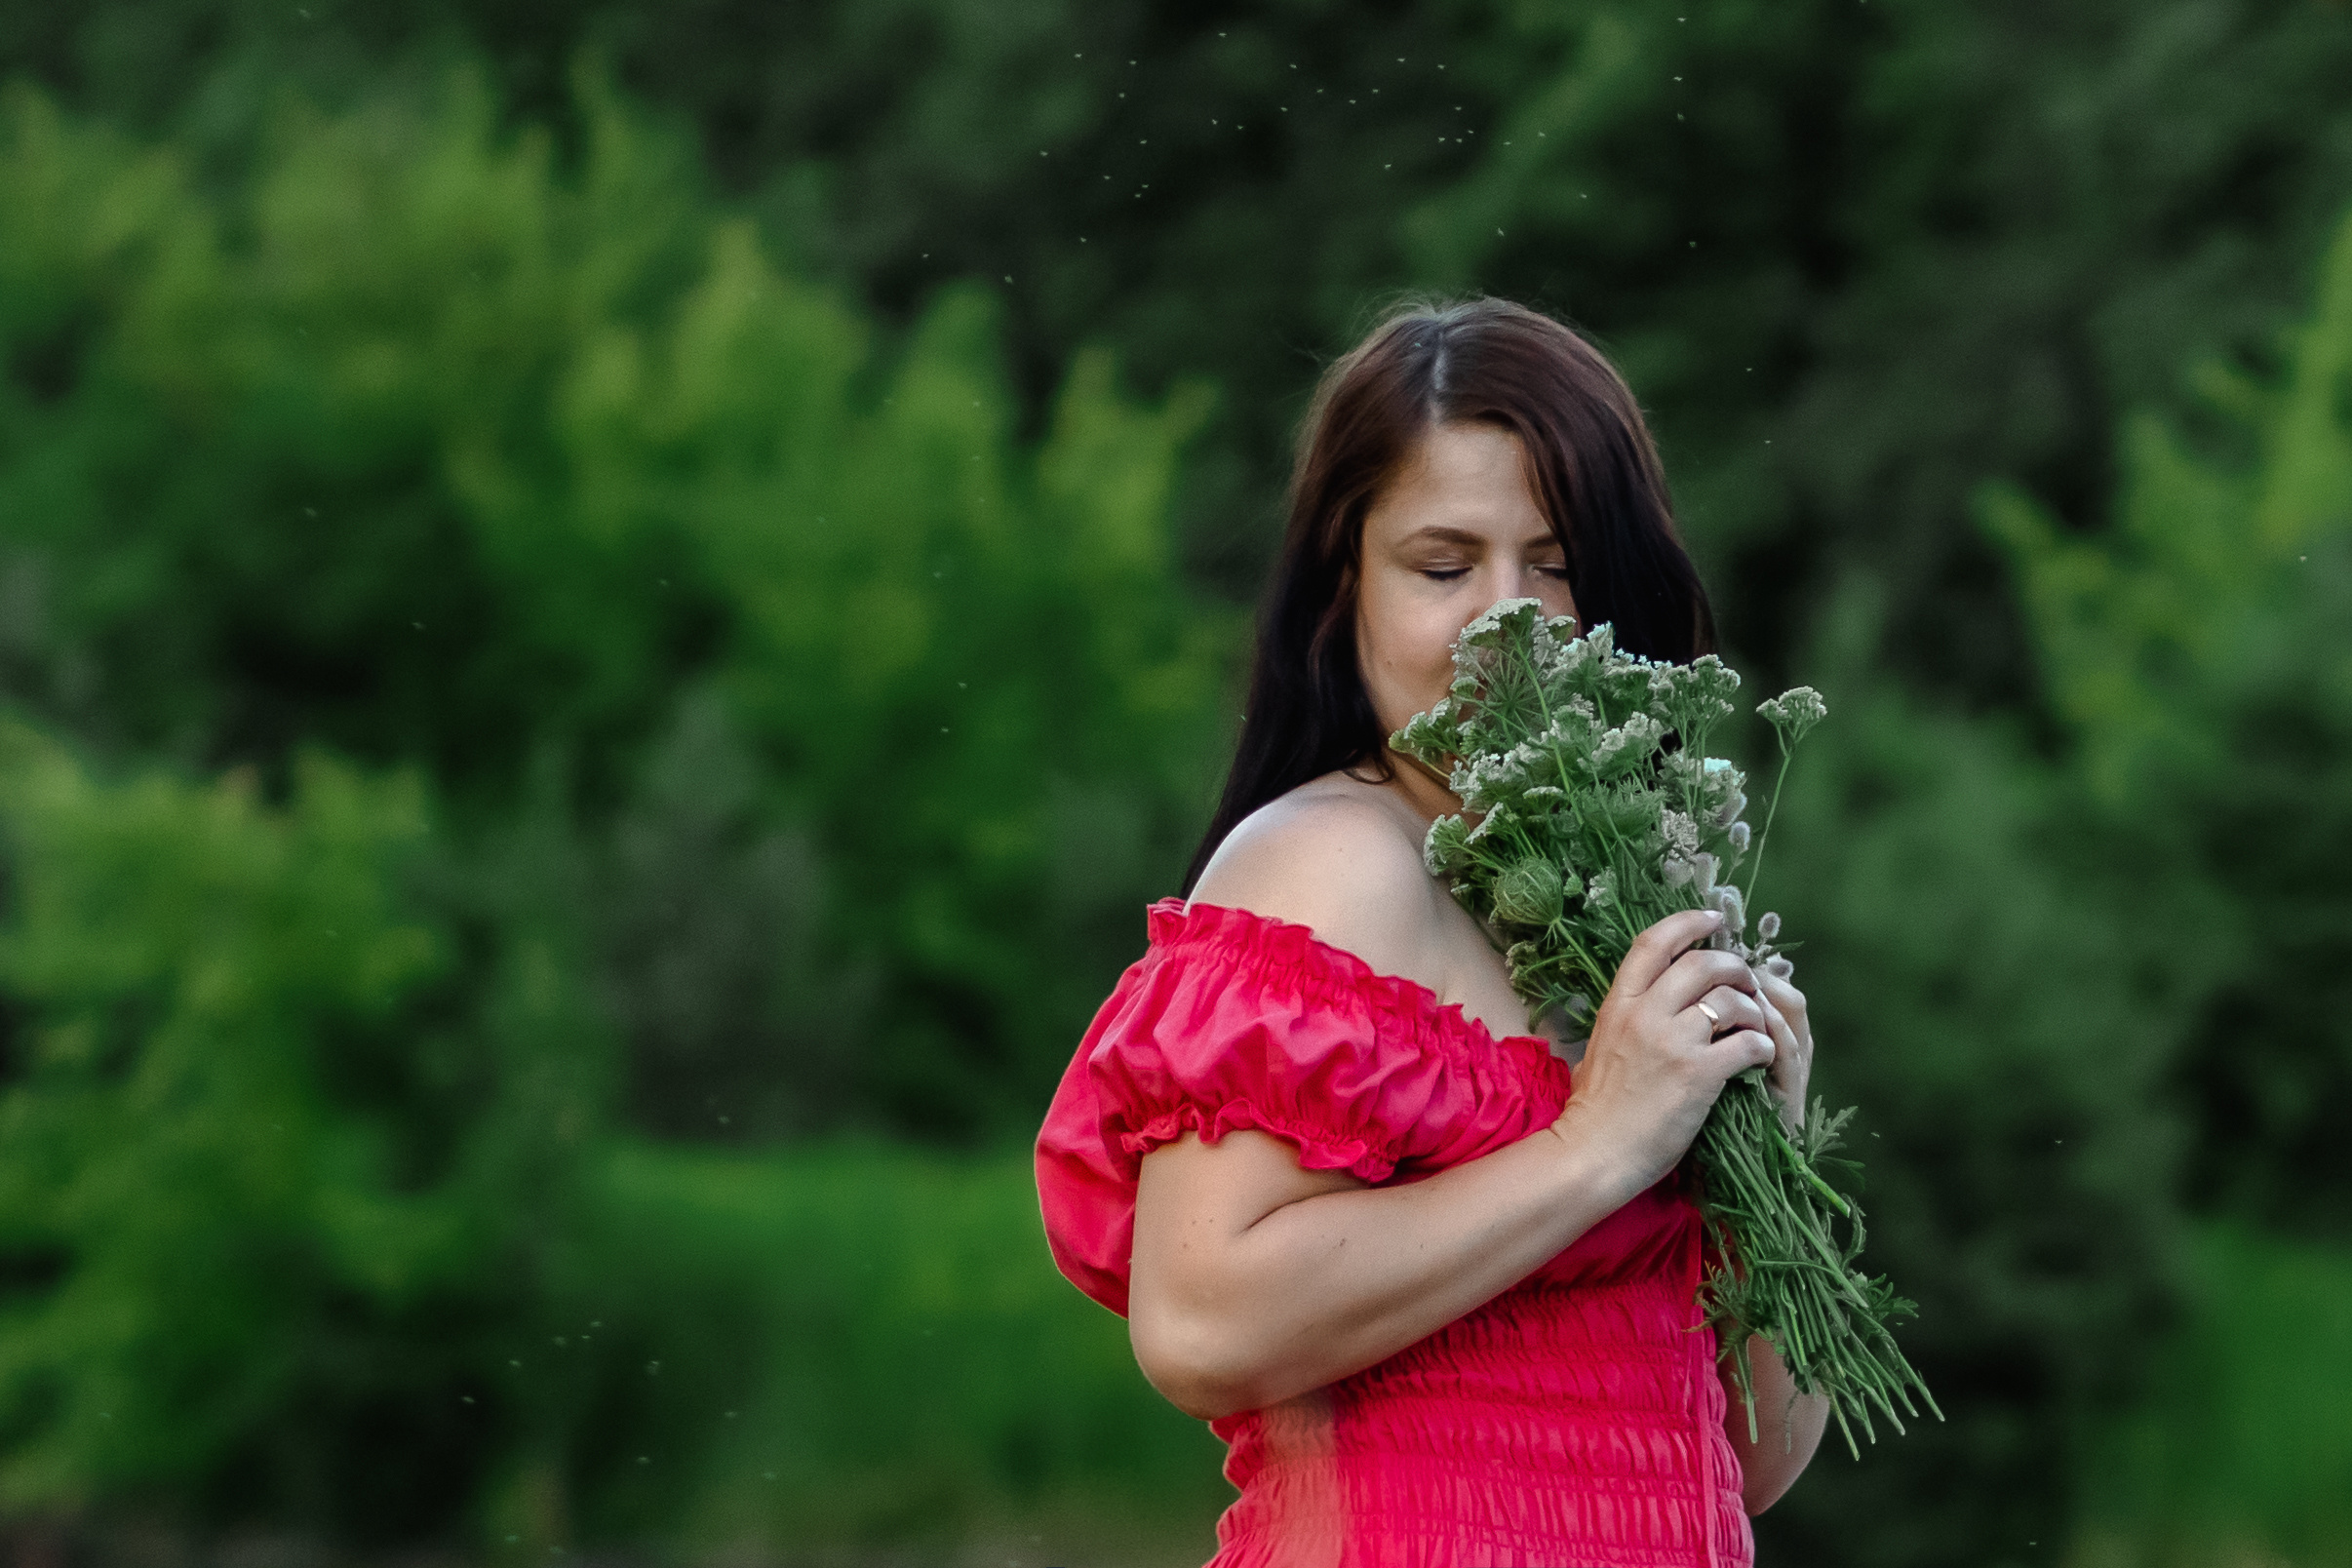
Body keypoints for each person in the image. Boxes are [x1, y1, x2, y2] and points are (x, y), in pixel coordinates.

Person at [1034, 298, 1829, 1567]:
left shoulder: (1618, 901)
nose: (1506, 621)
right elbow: (1197, 1328)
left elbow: (1755, 1462)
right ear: (1344, 585)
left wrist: (1765, 1161)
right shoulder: (1329, 862)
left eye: (1557, 564)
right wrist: (1598, 1145)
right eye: (1444, 567)